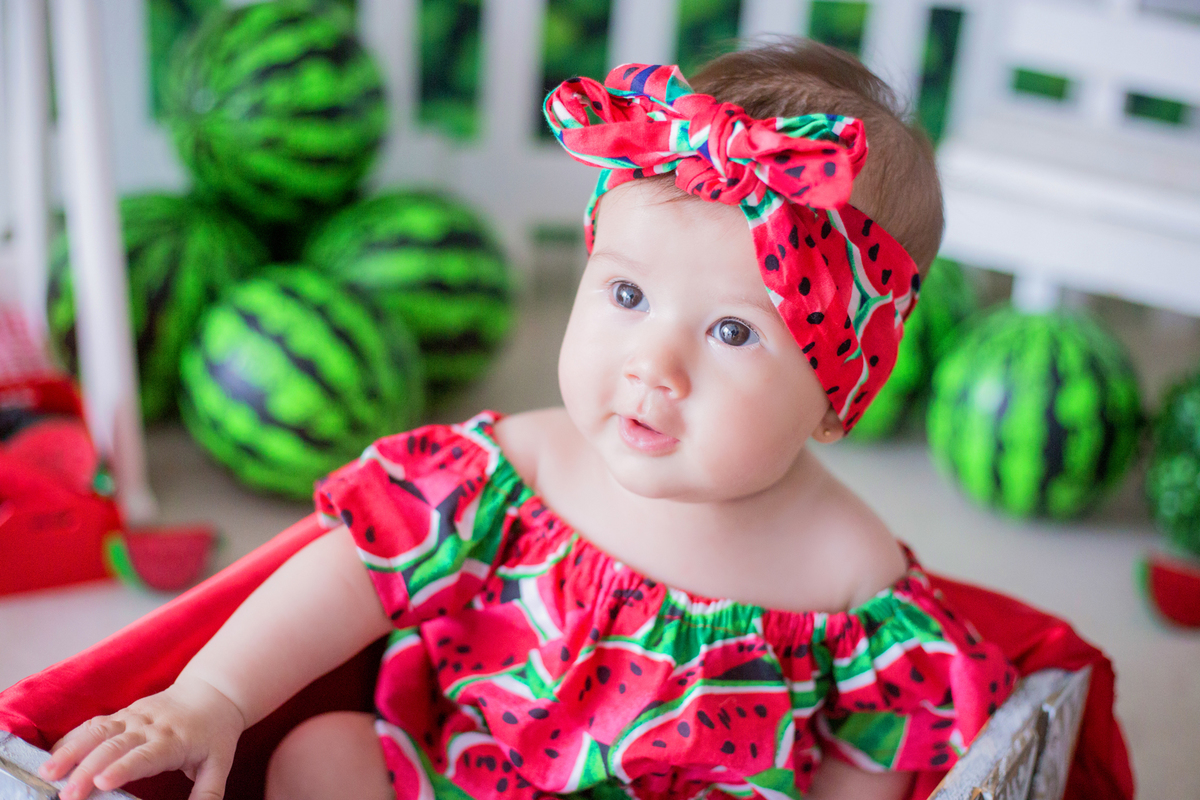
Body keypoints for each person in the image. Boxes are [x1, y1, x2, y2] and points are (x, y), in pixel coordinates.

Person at [37, 40, 1017, 800]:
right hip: (453, 779)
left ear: (840, 390)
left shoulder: (848, 572)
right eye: (627, 295)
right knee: (321, 750)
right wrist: (214, 694)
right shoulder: (517, 468)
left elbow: (874, 752)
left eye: (732, 330)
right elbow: (353, 570)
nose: (653, 366)